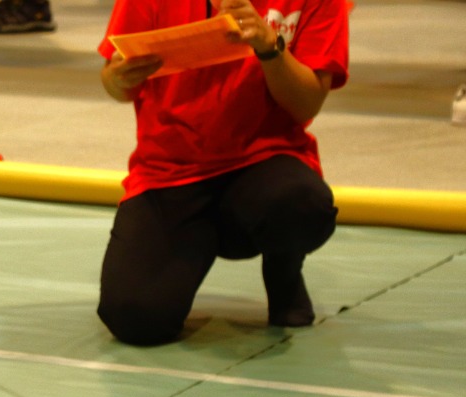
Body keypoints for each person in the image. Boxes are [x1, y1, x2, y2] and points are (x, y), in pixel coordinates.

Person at [96, 0, 349, 345]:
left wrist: (269, 46)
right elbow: (116, 82)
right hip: (170, 171)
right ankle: (191, 240)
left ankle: (284, 269)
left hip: (264, 163)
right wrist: (116, 78)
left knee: (301, 206)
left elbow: (306, 103)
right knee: (135, 318)